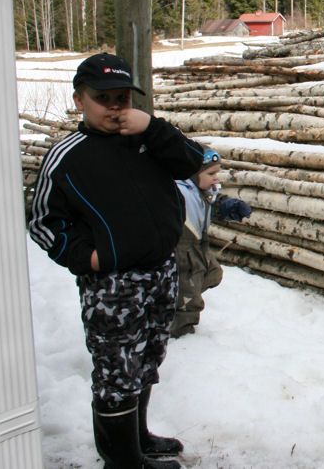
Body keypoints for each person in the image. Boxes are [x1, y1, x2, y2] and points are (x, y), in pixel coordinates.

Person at [28, 53, 204, 469]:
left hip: (160, 269)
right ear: (79, 100)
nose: (114, 107)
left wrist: (155, 127)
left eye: (122, 98)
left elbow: (193, 162)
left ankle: (137, 440)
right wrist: (89, 258)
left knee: (147, 358)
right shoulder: (68, 156)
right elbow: (41, 221)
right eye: (103, 98)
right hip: (113, 283)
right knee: (116, 372)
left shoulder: (146, 138)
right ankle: (121, 462)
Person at [171, 148, 251, 338]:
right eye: (211, 173)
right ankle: (180, 332)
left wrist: (229, 207)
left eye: (217, 172)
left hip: (198, 246)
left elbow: (212, 204)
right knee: (188, 295)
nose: (216, 178)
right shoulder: (179, 192)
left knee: (213, 273)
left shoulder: (204, 191)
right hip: (182, 249)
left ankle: (175, 300)